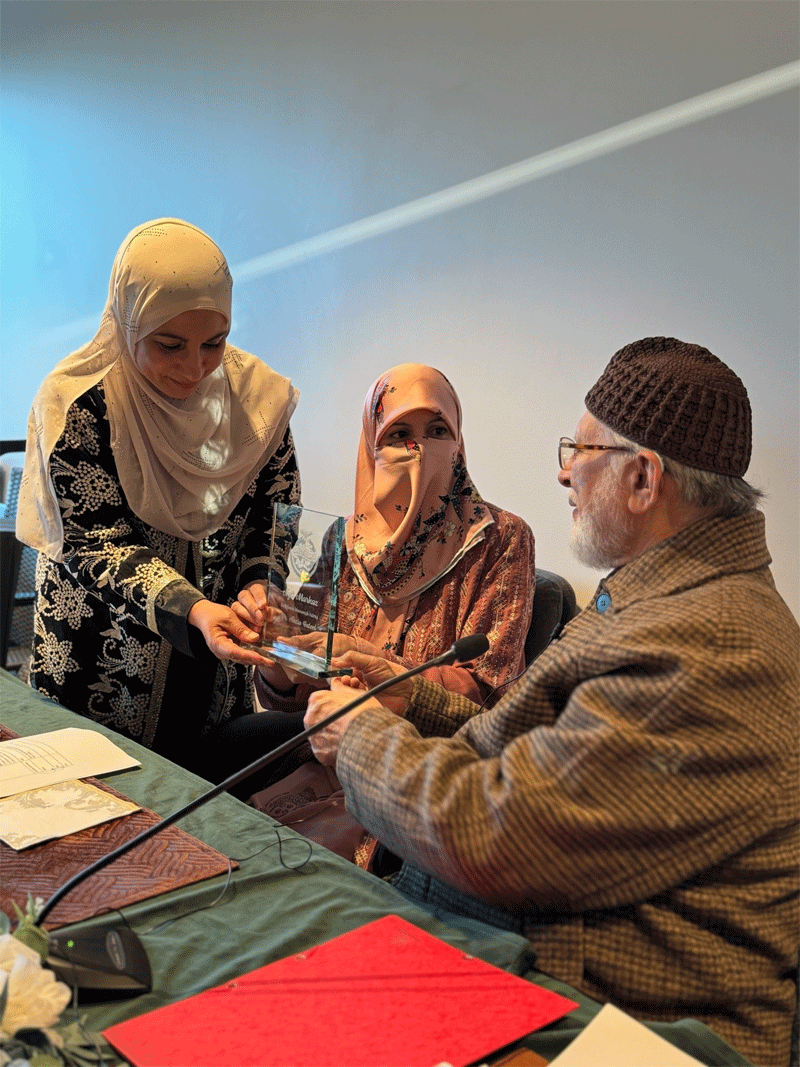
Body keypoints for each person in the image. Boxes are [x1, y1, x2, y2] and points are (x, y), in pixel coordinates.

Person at [304, 337, 799, 1066]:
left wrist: (361, 739)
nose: (564, 470)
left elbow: (496, 834)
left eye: (581, 449)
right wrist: (409, 698)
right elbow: (543, 756)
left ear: (641, 478)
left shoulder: (711, 645)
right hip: (543, 961)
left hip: (620, 1027)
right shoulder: (670, 596)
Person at [217, 363, 535, 863]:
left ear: (460, 438)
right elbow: (289, 697)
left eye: (437, 431)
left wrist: (382, 674)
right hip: (326, 755)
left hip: (424, 772)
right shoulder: (342, 540)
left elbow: (489, 699)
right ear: (370, 445)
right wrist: (279, 654)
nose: (420, 450)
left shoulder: (499, 538)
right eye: (399, 434)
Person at [17, 219, 301, 768]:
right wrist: (193, 608)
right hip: (97, 671)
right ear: (128, 323)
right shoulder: (79, 404)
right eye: (169, 345)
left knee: (210, 826)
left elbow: (274, 513)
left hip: (211, 675)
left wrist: (261, 587)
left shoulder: (254, 403)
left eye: (213, 343)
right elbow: (95, 540)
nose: (194, 368)